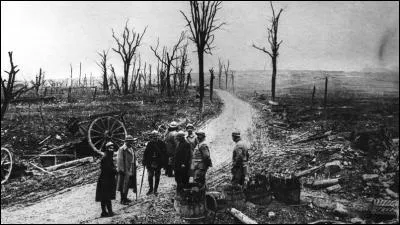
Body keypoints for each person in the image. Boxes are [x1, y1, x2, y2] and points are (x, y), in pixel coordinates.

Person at [96, 142, 117, 217]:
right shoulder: (106, 157)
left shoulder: (108, 156)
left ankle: (104, 212)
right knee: (107, 196)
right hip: (105, 180)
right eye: (110, 148)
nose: (112, 149)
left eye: (112, 148)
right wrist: (115, 171)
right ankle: (109, 212)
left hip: (106, 179)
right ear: (107, 149)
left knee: (104, 197)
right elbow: (108, 169)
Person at [142, 130, 167, 196]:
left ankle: (155, 189)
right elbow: (146, 153)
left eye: (156, 136)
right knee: (150, 176)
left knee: (157, 176)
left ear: (158, 136)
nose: (155, 137)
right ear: (152, 137)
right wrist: (144, 161)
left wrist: (164, 162)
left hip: (158, 162)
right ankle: (151, 189)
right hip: (150, 162)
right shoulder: (149, 143)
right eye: (153, 136)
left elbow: (164, 153)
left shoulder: (162, 143)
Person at [116, 135, 137, 205]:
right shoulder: (122, 149)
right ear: (126, 142)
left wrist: (136, 163)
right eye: (130, 142)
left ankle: (125, 197)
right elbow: (119, 160)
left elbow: (134, 157)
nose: (132, 143)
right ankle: (123, 199)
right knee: (123, 184)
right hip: (125, 169)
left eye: (132, 142)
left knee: (128, 183)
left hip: (131, 168)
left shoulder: (131, 148)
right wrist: (121, 170)